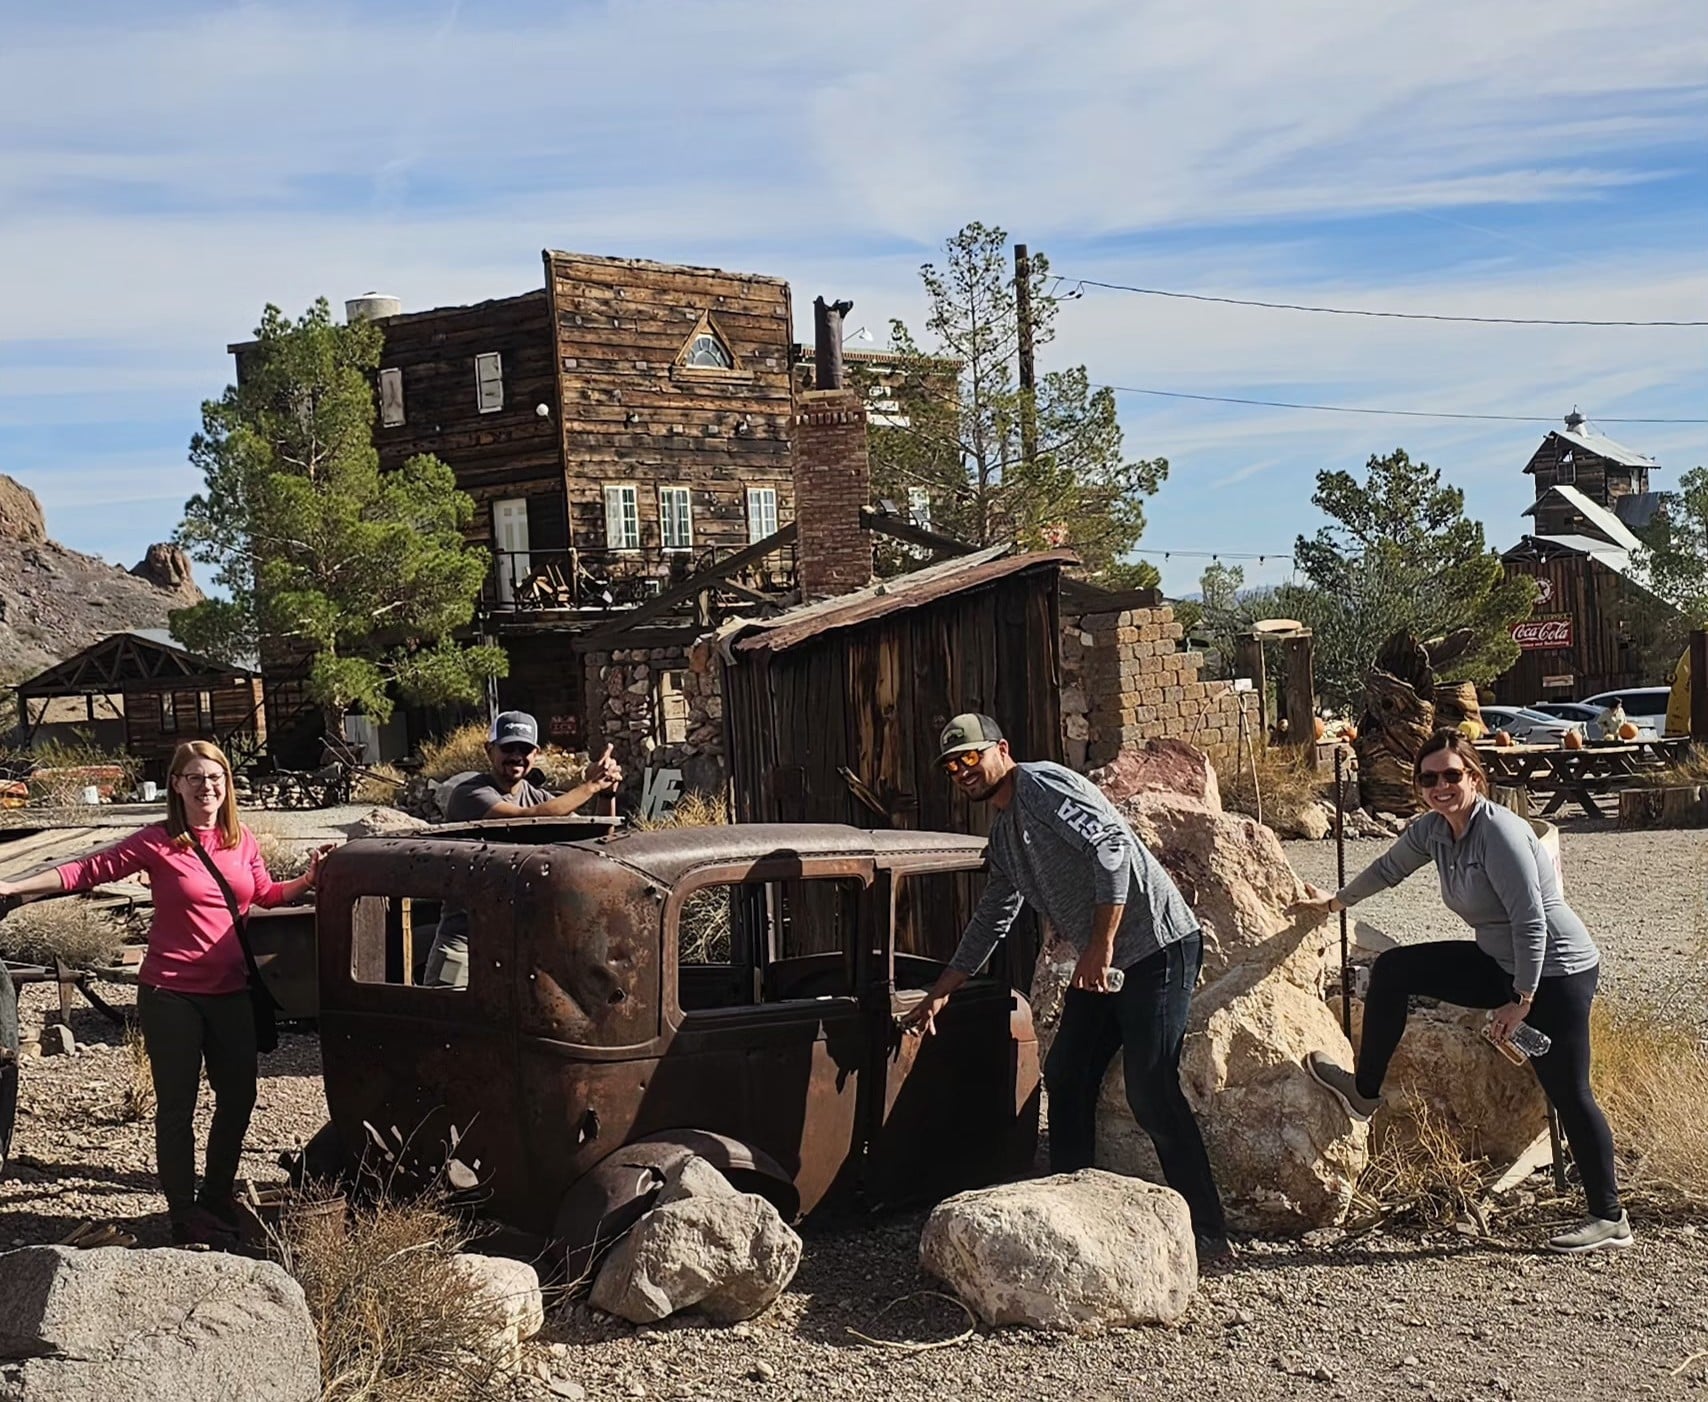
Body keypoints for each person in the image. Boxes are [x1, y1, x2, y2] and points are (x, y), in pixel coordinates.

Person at [902, 713, 1231, 1262]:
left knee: (1151, 1087)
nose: (963, 771)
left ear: (1001, 748)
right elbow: (992, 919)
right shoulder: (1004, 837)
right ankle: (1075, 1213)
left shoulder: (1043, 784)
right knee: (1066, 1072)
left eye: (970, 757)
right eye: (952, 766)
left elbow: (1111, 848)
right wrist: (942, 991)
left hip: (1157, 946)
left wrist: (1100, 945)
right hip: (1101, 964)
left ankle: (1208, 1231)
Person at [1294, 729, 1628, 1254]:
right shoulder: (1434, 830)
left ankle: (1610, 1219)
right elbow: (1388, 869)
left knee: (1568, 1090)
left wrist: (1522, 1000)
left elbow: (1532, 921)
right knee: (1396, 971)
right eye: (1430, 778)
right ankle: (1365, 1092)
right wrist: (1335, 902)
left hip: (1555, 972)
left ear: (1474, 776)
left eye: (1453, 775)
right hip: (1500, 961)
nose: (1441, 786)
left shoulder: (1500, 834)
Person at [0, 740, 327, 1247]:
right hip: (171, 993)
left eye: (215, 776)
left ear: (227, 784)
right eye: (195, 777)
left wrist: (307, 878)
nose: (207, 786)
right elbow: (88, 870)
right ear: (176, 784)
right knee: (177, 1107)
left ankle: (216, 1195)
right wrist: (13, 885)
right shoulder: (159, 841)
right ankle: (183, 1211)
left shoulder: (241, 841)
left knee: (239, 1097)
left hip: (232, 993)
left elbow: (263, 893)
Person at [423, 711, 623, 987]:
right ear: (489, 750)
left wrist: (607, 793)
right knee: (450, 1021)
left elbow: (596, 836)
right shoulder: (470, 794)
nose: (516, 756)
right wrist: (590, 786)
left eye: (525, 749)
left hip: (521, 942)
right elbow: (526, 817)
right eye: (508, 748)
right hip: (466, 938)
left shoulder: (537, 794)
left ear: (536, 754)